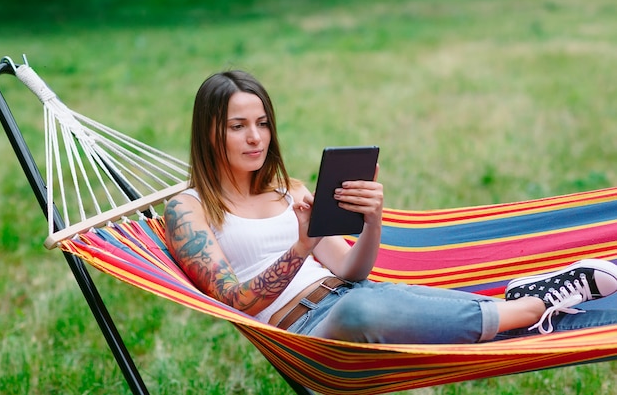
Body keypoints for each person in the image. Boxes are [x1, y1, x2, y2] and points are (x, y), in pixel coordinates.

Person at [163, 70, 617, 344]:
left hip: (359, 295)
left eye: (262, 123)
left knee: (369, 303)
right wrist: (300, 248)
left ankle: (544, 306)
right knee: (360, 312)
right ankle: (534, 303)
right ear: (209, 133)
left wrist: (372, 221)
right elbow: (234, 301)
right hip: (313, 330)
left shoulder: (289, 190)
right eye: (238, 125)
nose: (256, 137)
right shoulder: (188, 209)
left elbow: (352, 271)